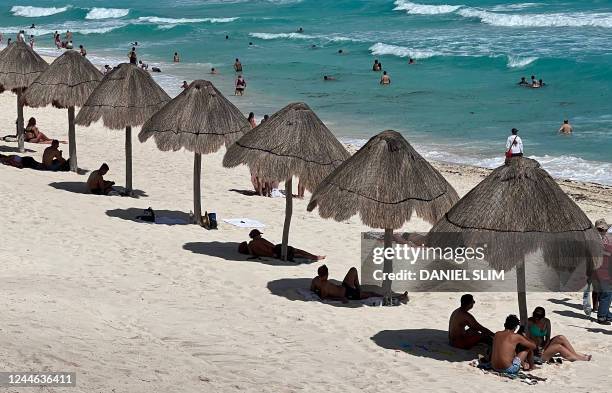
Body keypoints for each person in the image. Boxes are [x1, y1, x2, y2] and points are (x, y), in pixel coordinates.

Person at [311, 265, 408, 303]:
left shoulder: (315, 280)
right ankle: (398, 298)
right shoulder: (324, 287)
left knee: (353, 270)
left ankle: (359, 288)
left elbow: (312, 289)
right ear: (324, 275)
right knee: (372, 294)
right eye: (327, 275)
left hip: (344, 286)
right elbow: (324, 298)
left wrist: (316, 290)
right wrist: (341, 298)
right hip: (348, 294)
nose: (328, 276)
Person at [526, 307, 591, 361]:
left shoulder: (546, 321)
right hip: (535, 351)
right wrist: (537, 349)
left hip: (543, 347)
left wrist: (543, 348)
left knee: (561, 337)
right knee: (558, 347)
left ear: (543, 317)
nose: (537, 318)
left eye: (539, 317)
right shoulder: (529, 322)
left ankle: (575, 354)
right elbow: (527, 339)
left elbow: (548, 339)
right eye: (535, 316)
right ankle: (575, 358)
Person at [238, 229, 326, 261]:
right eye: (259, 234)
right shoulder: (259, 241)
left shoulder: (252, 245)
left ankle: (314, 257)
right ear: (256, 235)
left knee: (296, 253)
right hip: (275, 250)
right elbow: (269, 248)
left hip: (274, 251)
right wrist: (274, 254)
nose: (260, 235)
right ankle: (314, 257)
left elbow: (258, 252)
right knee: (296, 252)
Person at [594, 218, 612, 325]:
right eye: (601, 229)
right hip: (604, 272)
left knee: (604, 294)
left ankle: (607, 314)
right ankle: (601, 317)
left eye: (604, 229)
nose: (603, 231)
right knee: (607, 294)